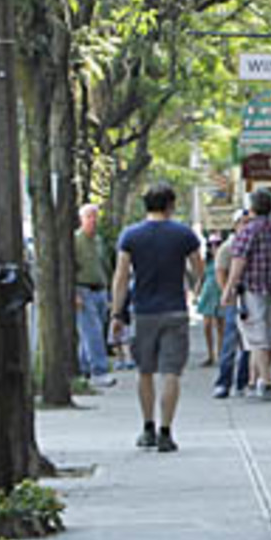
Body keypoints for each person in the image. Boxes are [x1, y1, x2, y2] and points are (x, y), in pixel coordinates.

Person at [111, 183, 203, 453]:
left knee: (145, 371)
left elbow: (121, 276)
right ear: (170, 205)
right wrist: (194, 292)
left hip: (143, 311)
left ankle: (147, 427)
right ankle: (166, 431)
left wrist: (117, 313)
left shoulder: (130, 236)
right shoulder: (184, 235)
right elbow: (199, 269)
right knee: (171, 372)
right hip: (175, 309)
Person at [224, 190, 271, 400]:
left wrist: (228, 289)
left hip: (252, 289)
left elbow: (238, 261)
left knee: (256, 337)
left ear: (252, 208)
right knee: (268, 337)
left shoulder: (248, 231)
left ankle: (266, 382)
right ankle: (256, 381)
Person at [74, 203, 115, 388]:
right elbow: (71, 268)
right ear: (81, 219)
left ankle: (83, 369)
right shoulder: (75, 240)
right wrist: (74, 294)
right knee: (93, 331)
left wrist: (109, 294)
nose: (93, 220)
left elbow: (104, 265)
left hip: (100, 290)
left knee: (89, 333)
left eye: (95, 216)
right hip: (83, 289)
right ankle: (100, 370)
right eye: (89, 216)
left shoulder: (98, 241)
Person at [213, 209, 251, 399]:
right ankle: (223, 382)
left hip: (251, 298)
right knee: (230, 342)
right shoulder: (228, 247)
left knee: (249, 345)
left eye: (249, 222)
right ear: (235, 225)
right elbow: (220, 273)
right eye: (243, 222)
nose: (246, 226)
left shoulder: (253, 244)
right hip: (235, 300)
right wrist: (227, 295)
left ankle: (243, 381)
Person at [196, 232, 227, 366]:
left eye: (218, 244)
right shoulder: (206, 261)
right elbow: (201, 276)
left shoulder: (225, 258)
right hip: (208, 293)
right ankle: (210, 354)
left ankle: (221, 354)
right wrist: (197, 290)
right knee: (207, 325)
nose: (215, 247)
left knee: (221, 325)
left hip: (220, 291)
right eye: (212, 244)